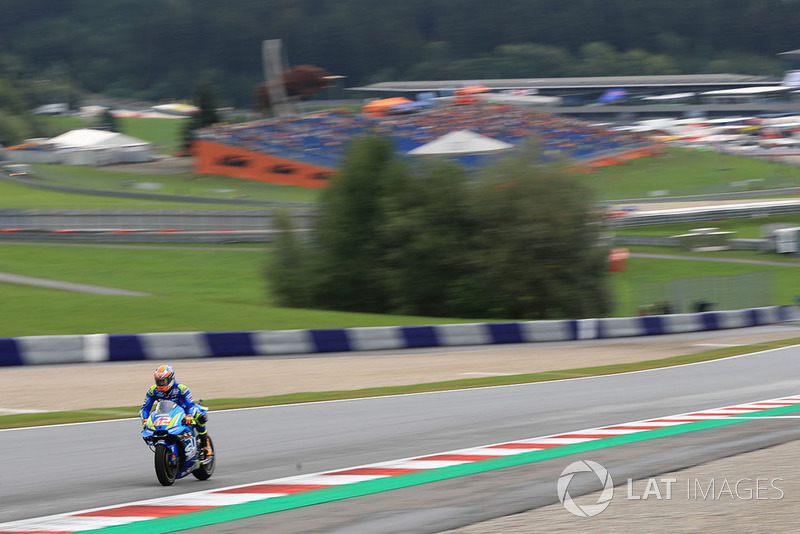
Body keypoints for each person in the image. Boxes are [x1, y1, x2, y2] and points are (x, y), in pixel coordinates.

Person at [140, 364, 211, 459]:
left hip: (184, 413)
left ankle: (205, 442)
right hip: (166, 413)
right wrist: (145, 419)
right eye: (158, 381)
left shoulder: (182, 388)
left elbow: (191, 405)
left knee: (199, 416)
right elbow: (145, 408)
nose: (160, 384)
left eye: (163, 381)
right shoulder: (153, 390)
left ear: (170, 379)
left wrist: (189, 415)